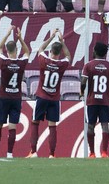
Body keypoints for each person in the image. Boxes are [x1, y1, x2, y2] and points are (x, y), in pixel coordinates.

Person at [27, 29, 71, 158]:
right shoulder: (62, 64)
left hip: (41, 96)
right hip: (54, 99)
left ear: (51, 51)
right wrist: (62, 42)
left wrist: (51, 37)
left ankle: (33, 152)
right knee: (52, 125)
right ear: (59, 53)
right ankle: (52, 154)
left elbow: (40, 48)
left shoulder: (44, 60)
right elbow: (68, 56)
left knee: (35, 122)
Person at [0, 26, 29, 159]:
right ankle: (10, 153)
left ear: (7, 50)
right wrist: (20, 38)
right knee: (12, 127)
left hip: (4, 97)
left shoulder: (4, 62)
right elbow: (28, 52)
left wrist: (7, 34)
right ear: (16, 50)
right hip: (16, 98)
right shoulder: (21, 62)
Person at [80, 41, 109, 159]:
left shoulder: (88, 65)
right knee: (105, 125)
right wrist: (108, 91)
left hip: (92, 101)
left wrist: (82, 92)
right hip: (105, 101)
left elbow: (83, 82)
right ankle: (104, 152)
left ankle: (92, 153)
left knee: (90, 125)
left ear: (95, 51)